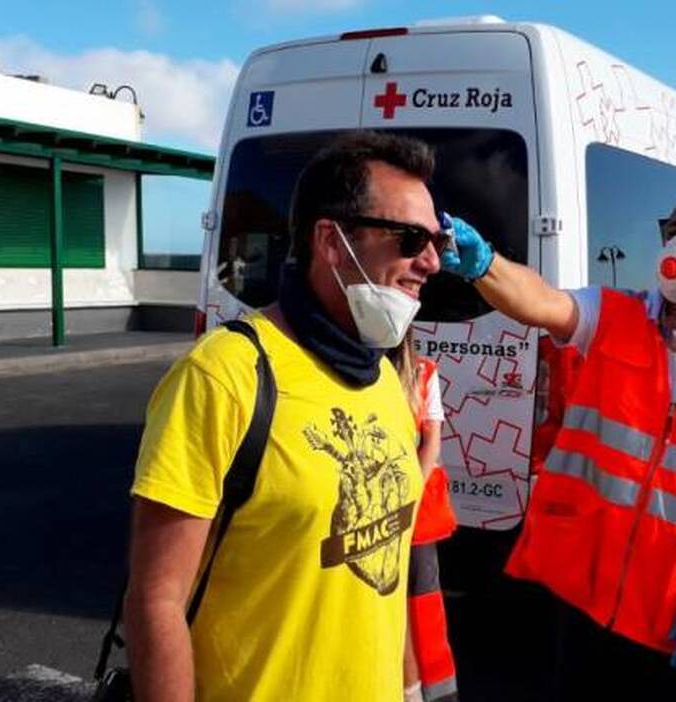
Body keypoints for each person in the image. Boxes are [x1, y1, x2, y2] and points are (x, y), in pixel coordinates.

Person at [439, 178, 676, 701]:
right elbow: (540, 301)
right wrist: (485, 265)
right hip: (589, 611)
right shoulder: (613, 316)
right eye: (675, 229)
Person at [123, 131, 449, 702]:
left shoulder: (385, 379)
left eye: (436, 240)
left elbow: (383, 571)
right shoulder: (223, 376)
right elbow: (156, 600)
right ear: (331, 240)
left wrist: (409, 687)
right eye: (410, 238)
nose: (431, 261)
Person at [389, 330, 460, 702]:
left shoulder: (422, 372)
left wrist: (408, 494)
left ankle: (430, 693)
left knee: (421, 601)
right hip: (383, 504)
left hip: (416, 512)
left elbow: (432, 439)